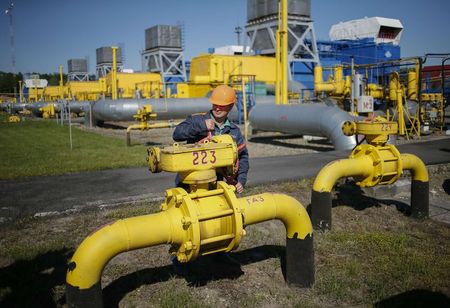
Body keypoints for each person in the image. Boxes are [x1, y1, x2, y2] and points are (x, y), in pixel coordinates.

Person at [172, 85, 249, 193]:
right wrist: (201, 126)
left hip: (216, 185)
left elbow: (242, 156)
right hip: (188, 183)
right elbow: (177, 134)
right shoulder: (197, 120)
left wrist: (241, 180)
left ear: (231, 106)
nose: (217, 108)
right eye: (215, 104)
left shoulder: (234, 131)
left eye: (222, 106)